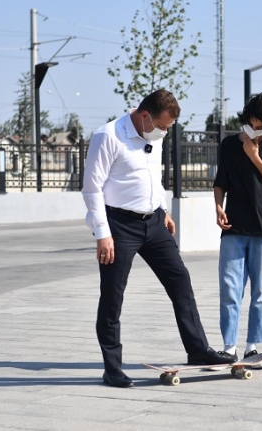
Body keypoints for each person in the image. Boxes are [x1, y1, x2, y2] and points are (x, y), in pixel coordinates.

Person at [82, 89, 236, 388]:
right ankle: (112, 368)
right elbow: (92, 189)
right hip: (118, 226)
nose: (165, 131)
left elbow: (154, 175)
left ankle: (198, 351)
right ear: (144, 116)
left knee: (180, 281)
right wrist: (103, 234)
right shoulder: (108, 137)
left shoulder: (155, 135)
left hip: (153, 222)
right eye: (162, 126)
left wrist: (163, 209)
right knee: (113, 297)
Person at [213, 93, 262, 369]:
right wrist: (218, 207)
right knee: (230, 288)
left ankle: (252, 348)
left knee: (259, 292)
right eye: (250, 124)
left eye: (259, 126)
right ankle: (228, 347)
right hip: (234, 227)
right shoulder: (229, 145)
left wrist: (255, 156)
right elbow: (221, 181)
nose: (253, 130)